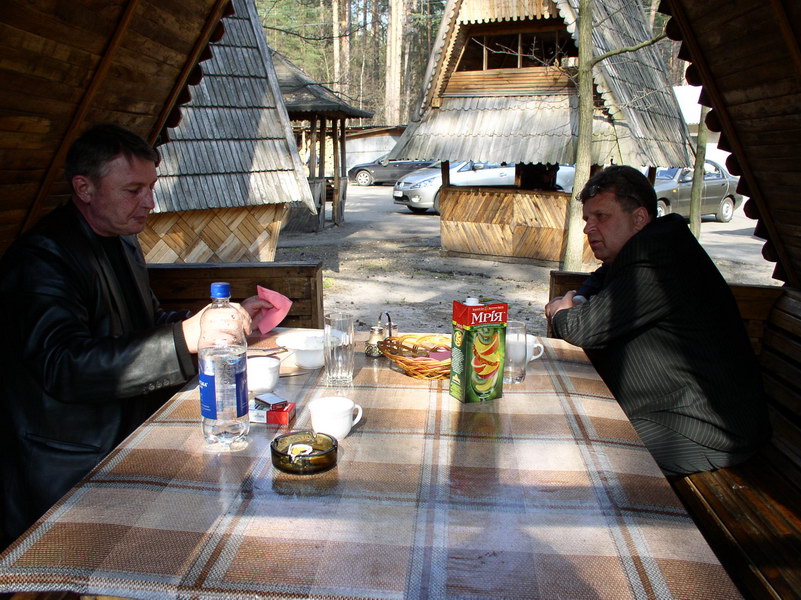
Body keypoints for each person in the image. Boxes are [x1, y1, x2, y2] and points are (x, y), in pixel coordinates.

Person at [0, 124, 271, 546]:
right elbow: (64, 366)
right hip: (70, 464)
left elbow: (142, 324)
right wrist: (185, 336)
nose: (150, 202)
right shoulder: (41, 259)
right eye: (133, 190)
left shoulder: (123, 240)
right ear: (84, 188)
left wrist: (211, 325)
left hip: (131, 432)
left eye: (151, 187)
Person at [545, 165, 770, 476]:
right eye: (587, 219)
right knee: (567, 428)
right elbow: (600, 277)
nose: (588, 228)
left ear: (639, 218)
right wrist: (580, 300)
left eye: (601, 217)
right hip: (673, 410)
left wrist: (561, 311)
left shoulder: (656, 259)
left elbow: (581, 330)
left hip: (705, 428)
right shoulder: (648, 246)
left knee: (577, 453)